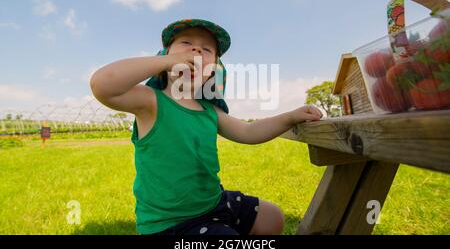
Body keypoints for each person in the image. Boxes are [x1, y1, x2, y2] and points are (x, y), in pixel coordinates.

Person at [90, 18, 323, 235]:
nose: (196, 50)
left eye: (207, 49)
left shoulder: (210, 110)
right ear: (164, 57)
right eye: (186, 43)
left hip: (214, 203)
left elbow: (248, 132)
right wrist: (168, 61)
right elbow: (103, 84)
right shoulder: (150, 101)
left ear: (213, 71)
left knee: (273, 217)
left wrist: (290, 117)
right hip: (171, 223)